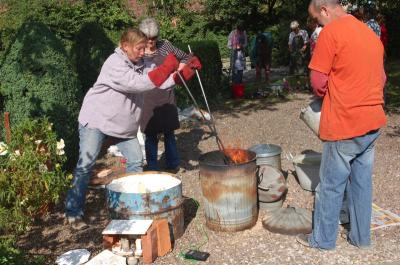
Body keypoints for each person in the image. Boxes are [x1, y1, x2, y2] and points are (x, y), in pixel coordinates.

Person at [65, 28, 201, 229]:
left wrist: (183, 73)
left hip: (123, 125)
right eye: (139, 48)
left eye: (144, 48)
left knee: (136, 161)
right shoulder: (114, 64)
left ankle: (129, 206)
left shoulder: (141, 63)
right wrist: (166, 67)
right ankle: (73, 212)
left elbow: (159, 83)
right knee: (86, 165)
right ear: (125, 46)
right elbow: (139, 84)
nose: (143, 52)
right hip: (97, 120)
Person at [297, 0, 386, 250]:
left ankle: (323, 240)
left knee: (331, 185)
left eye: (317, 18)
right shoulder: (369, 32)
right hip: (373, 120)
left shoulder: (331, 33)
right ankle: (361, 238)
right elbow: (381, 78)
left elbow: (318, 82)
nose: (318, 24)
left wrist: (333, 91)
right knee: (361, 182)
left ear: (325, 10)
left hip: (346, 121)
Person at [138, 18, 198, 172]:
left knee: (169, 133)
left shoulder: (165, 46)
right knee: (150, 135)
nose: (151, 42)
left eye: (154, 38)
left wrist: (181, 70)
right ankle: (152, 167)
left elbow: (184, 57)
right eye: (147, 38)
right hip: (146, 99)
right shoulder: (138, 51)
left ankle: (173, 164)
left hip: (166, 96)